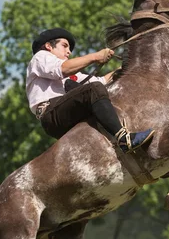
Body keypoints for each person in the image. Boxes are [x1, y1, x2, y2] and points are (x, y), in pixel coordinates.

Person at [26, 28, 154, 152]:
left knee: (94, 91)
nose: (69, 51)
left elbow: (101, 83)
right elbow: (63, 69)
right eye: (64, 46)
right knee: (92, 90)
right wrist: (95, 57)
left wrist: (127, 67)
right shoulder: (40, 57)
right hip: (52, 114)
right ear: (48, 46)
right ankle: (123, 139)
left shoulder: (71, 75)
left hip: (64, 110)